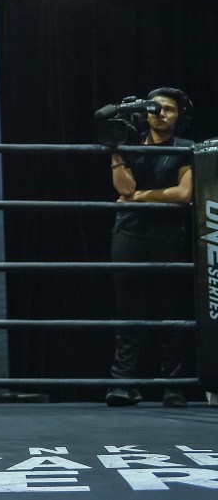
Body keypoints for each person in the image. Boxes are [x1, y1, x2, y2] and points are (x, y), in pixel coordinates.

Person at [105, 87, 195, 408]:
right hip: (129, 234)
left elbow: (184, 194)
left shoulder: (186, 148)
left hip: (168, 237)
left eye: (170, 109)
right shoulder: (128, 144)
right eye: (157, 108)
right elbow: (124, 188)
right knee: (127, 313)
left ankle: (173, 387)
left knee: (169, 313)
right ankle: (123, 384)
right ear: (146, 111)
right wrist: (115, 152)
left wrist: (143, 196)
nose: (163, 114)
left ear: (180, 115)